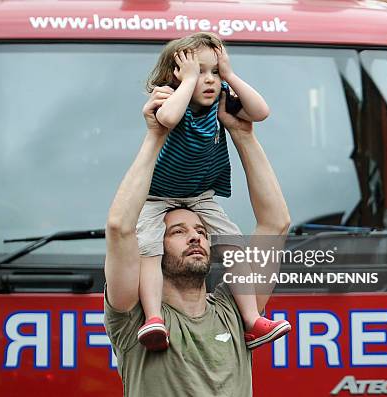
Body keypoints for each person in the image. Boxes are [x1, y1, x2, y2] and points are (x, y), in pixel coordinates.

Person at [103, 84, 291, 396]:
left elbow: (275, 223)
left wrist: (243, 135)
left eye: (202, 231)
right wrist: (156, 136)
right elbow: (119, 227)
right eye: (177, 231)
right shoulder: (133, 316)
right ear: (153, 244)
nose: (195, 236)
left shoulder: (236, 310)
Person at [135, 32, 290, 351]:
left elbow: (260, 112)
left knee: (234, 243)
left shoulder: (220, 100)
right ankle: (153, 318)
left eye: (214, 71)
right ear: (174, 76)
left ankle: (252, 319)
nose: (209, 80)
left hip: (199, 196)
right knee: (149, 249)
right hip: (157, 197)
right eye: (198, 71)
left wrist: (229, 75)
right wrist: (187, 82)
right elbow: (167, 118)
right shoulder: (169, 99)